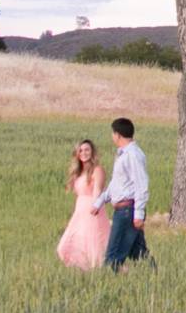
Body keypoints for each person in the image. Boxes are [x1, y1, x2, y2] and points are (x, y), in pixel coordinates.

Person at [94, 116, 153, 271]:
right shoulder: (122, 154)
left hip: (128, 210)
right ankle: (155, 277)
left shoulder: (133, 154)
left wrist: (139, 214)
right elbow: (117, 183)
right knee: (138, 252)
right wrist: (100, 201)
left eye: (113, 133)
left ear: (118, 135)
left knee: (113, 255)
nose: (112, 137)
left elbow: (141, 183)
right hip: (123, 209)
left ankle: (109, 282)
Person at [55, 138, 110, 270]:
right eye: (81, 150)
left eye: (87, 150)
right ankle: (82, 273)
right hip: (79, 213)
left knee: (94, 247)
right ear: (77, 154)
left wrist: (96, 205)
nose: (84, 153)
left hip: (93, 212)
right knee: (65, 246)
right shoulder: (78, 173)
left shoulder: (97, 170)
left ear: (92, 152)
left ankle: (99, 274)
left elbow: (98, 190)